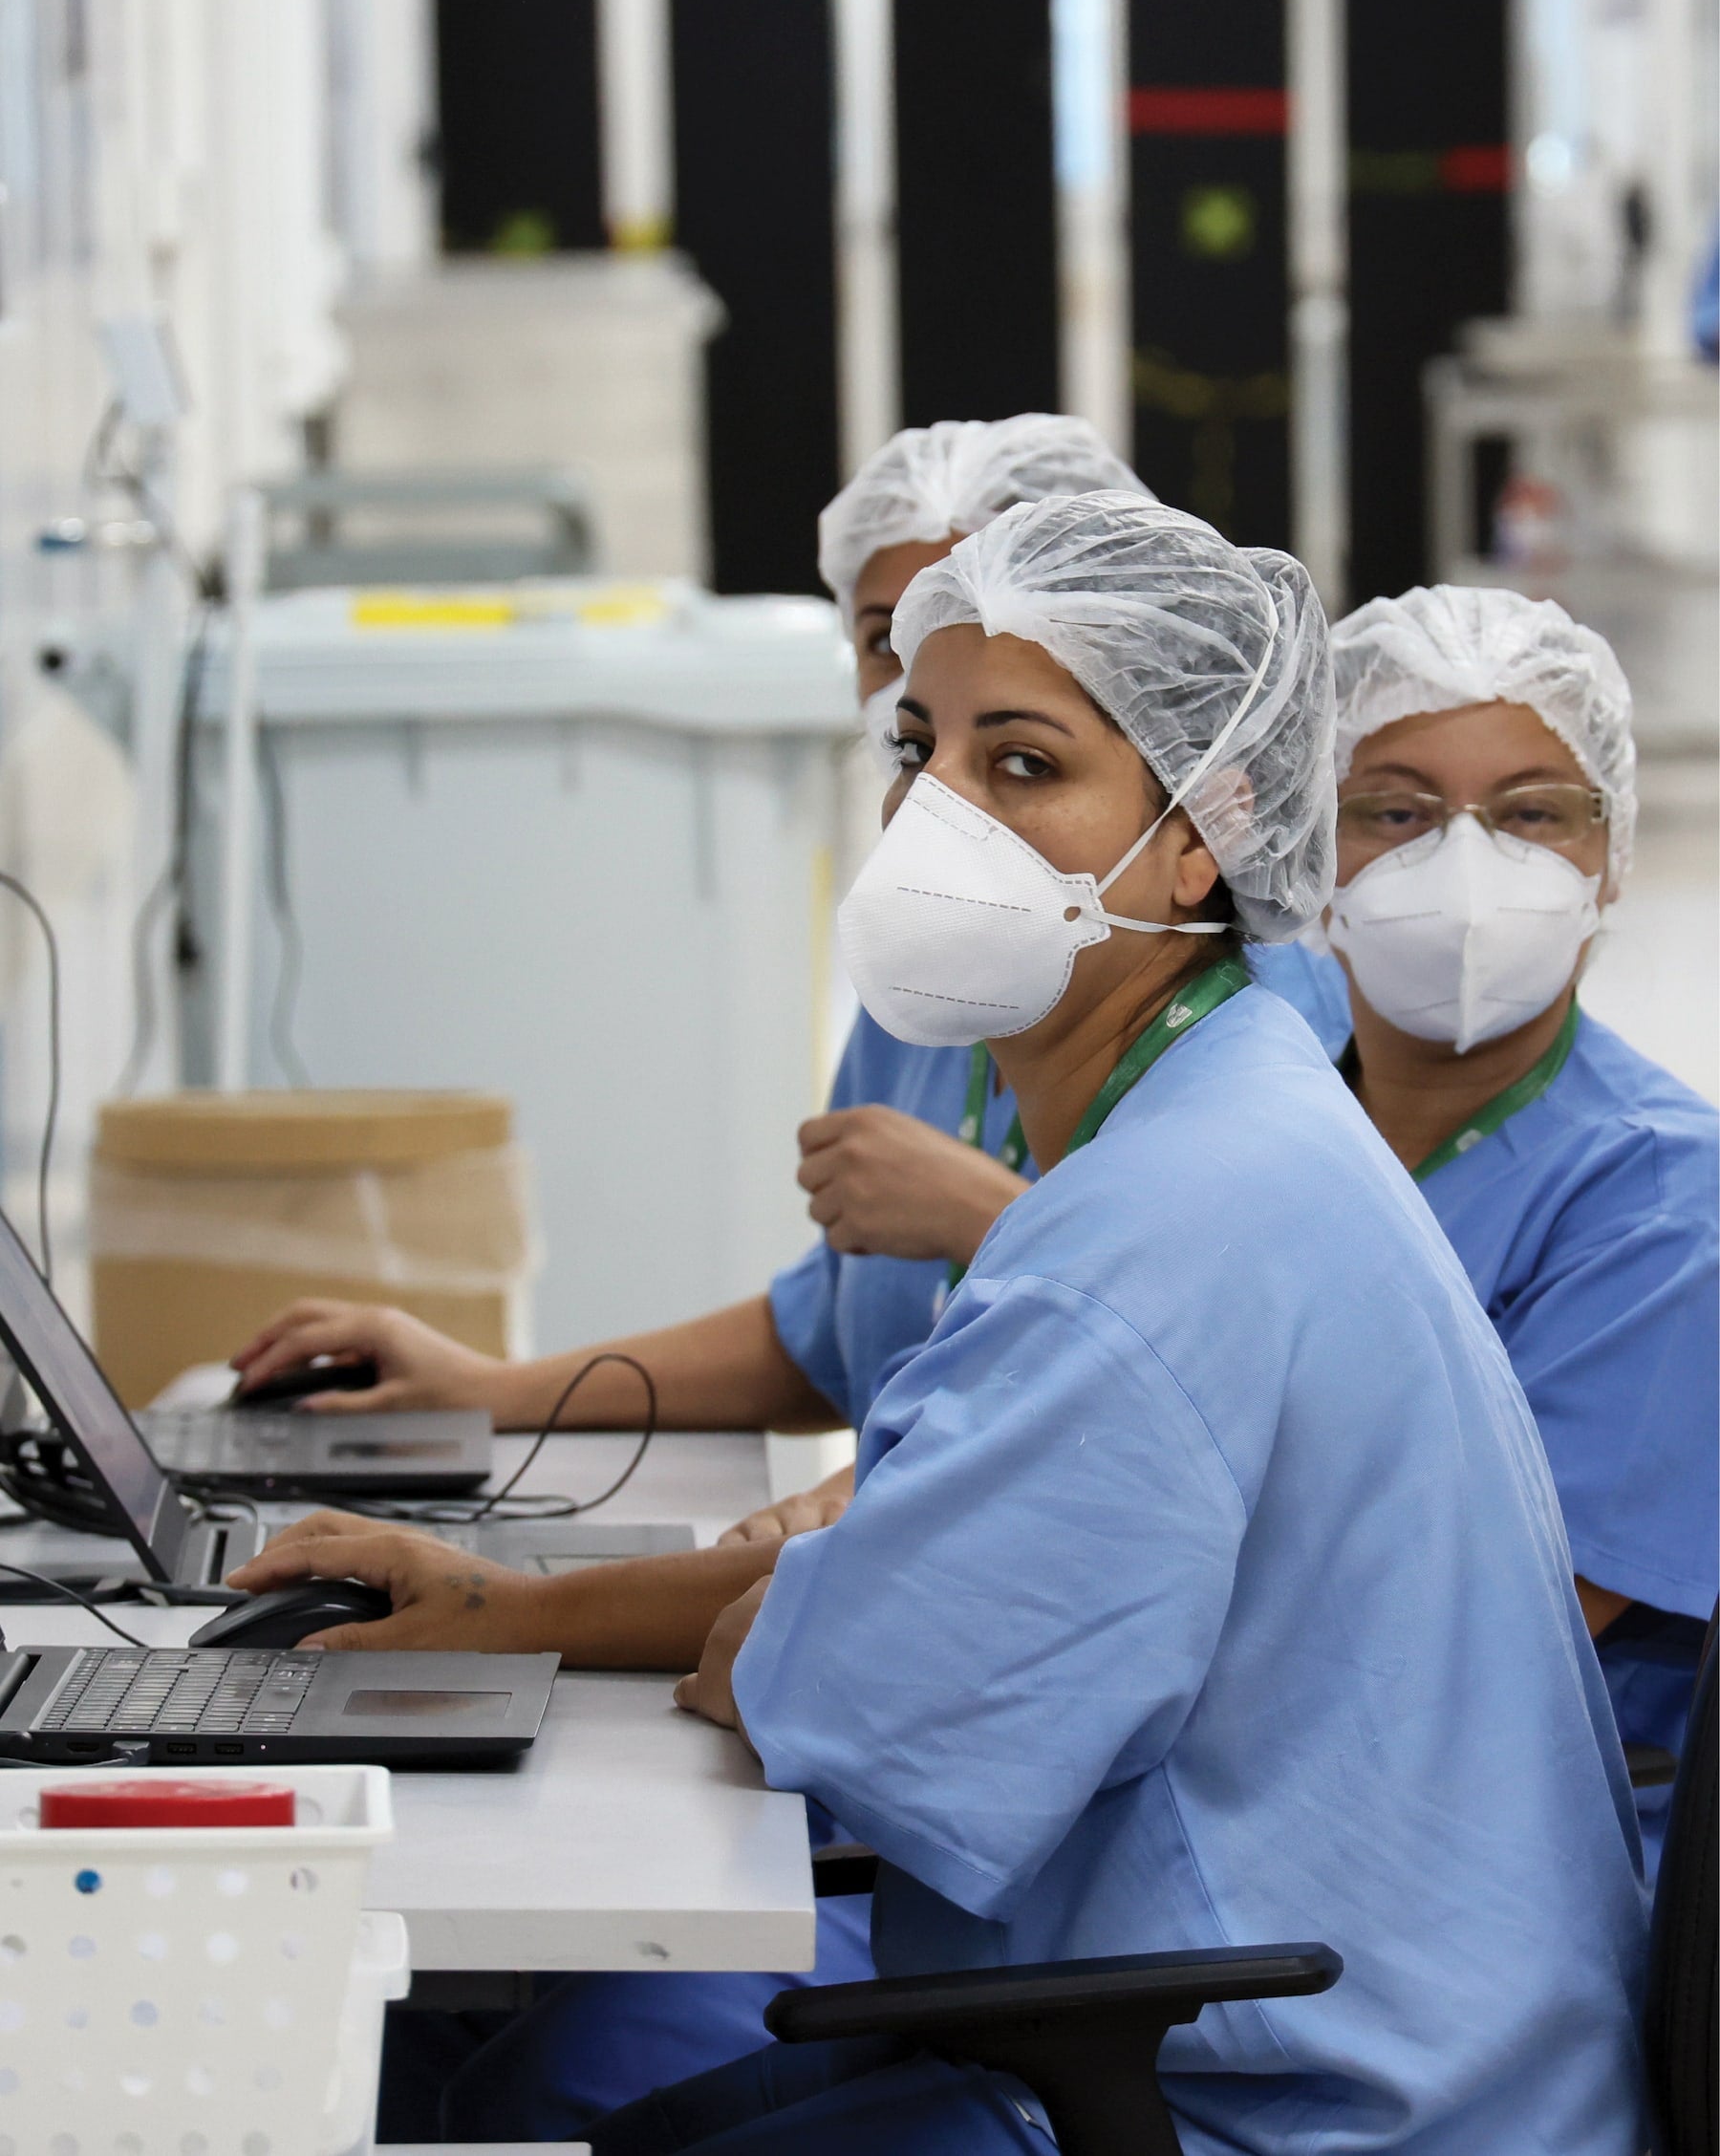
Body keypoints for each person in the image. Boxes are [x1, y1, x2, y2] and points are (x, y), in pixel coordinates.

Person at [245, 495, 1647, 2155]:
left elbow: (838, 1698)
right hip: (1279, 2034)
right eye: (921, 744)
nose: (936, 813)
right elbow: (866, 1609)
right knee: (547, 2099)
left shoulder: (1156, 1237)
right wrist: (507, 1604)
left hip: (1305, 2104)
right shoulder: (1216, 1116)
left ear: (1203, 831)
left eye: (1026, 765)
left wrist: (781, 1630)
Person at [227, 417, 1147, 2144]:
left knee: (566, 2057)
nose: (937, 759)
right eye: (900, 669)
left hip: (1044, 1873)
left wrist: (978, 1228)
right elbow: (830, 1331)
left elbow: (1124, 1392)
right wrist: (487, 1392)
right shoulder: (943, 979)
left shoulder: (1227, 1104)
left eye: (1016, 731)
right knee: (405, 2028)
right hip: (923, 1751)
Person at [1260, 584, 1717, 1878]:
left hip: (1443, 1891)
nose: (1465, 868)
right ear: (1308, 848)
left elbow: (1461, 1650)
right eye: (1397, 812)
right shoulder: (1264, 1125)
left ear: (1610, 856)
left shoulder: (1671, 1214)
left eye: (1533, 815)